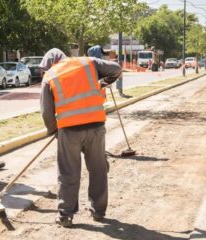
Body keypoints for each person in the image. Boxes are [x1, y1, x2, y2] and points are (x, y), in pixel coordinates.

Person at [39, 48, 122, 228]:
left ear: (50, 63)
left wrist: (53, 131)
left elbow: (46, 111)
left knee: (68, 172)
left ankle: (66, 215)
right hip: (96, 126)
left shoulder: (50, 76)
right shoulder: (87, 62)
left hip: (69, 131)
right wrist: (103, 83)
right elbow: (116, 68)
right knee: (98, 169)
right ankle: (99, 211)